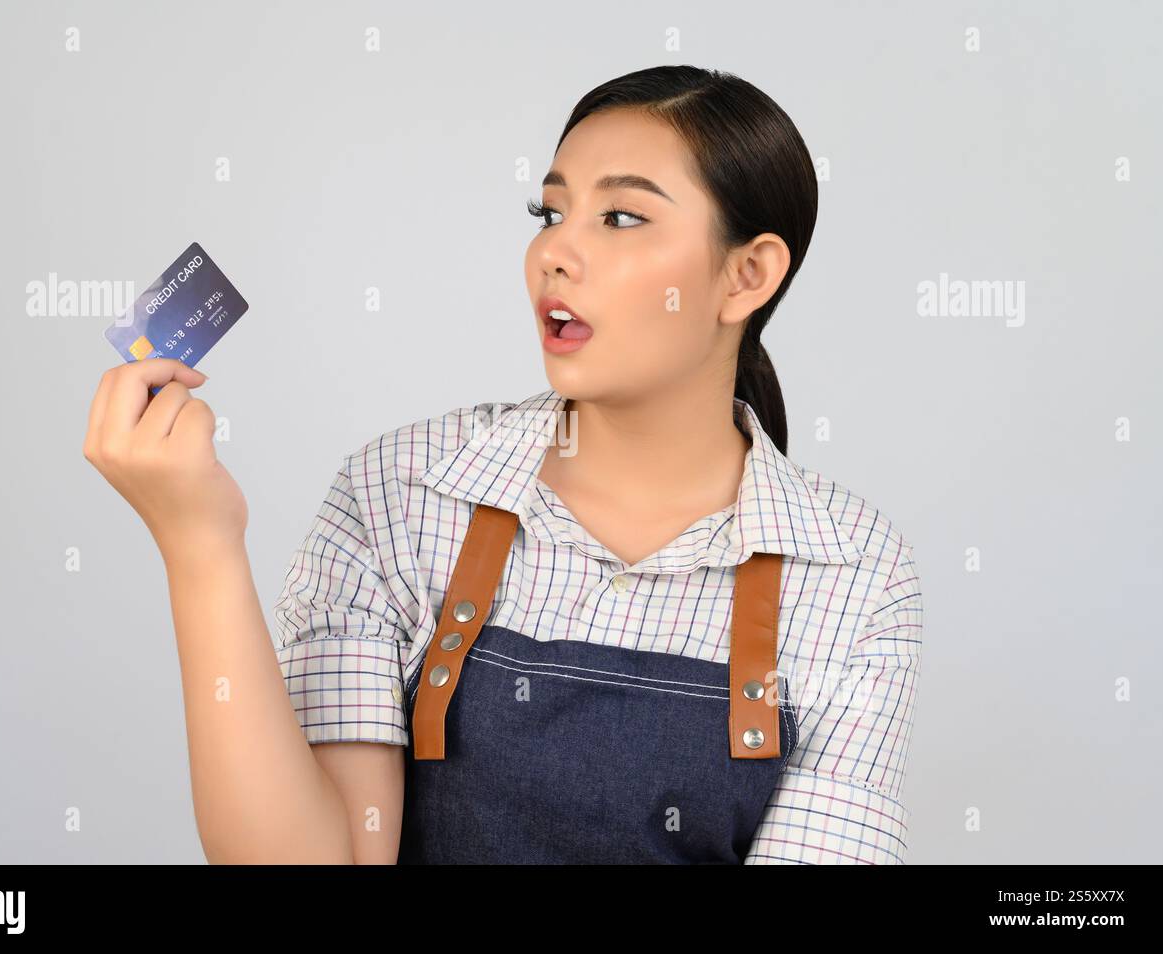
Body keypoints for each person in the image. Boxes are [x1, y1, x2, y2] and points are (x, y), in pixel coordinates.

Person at [83, 64, 923, 864]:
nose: (556, 253)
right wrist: (200, 546)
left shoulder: (855, 573)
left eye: (621, 218)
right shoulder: (399, 492)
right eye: (548, 213)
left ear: (747, 275)